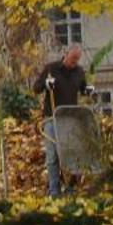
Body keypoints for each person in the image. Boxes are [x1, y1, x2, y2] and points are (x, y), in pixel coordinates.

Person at [32, 44, 88, 197]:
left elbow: (83, 89)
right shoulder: (51, 69)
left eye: (77, 60)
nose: (74, 62)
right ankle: (54, 190)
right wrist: (46, 84)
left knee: (73, 154)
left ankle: (70, 188)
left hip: (71, 119)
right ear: (66, 54)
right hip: (52, 118)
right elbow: (36, 88)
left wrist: (88, 90)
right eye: (72, 59)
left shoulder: (79, 72)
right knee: (52, 156)